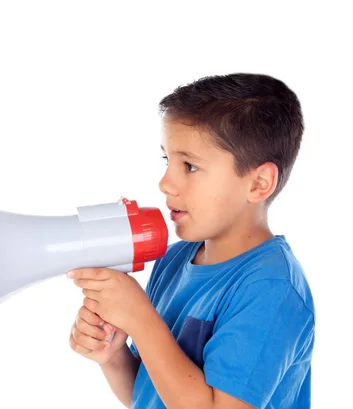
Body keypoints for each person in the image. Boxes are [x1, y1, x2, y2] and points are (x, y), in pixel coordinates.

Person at [67, 73, 315, 409]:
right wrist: (112, 357)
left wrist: (140, 318)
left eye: (190, 166)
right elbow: (151, 396)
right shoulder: (172, 262)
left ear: (258, 183)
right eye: (167, 161)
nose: (165, 183)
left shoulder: (272, 288)